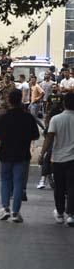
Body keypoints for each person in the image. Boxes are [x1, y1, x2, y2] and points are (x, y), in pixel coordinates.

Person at [0, 89, 39, 223]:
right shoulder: (28, 117)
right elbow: (35, 135)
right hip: (22, 154)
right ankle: (15, 212)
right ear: (21, 99)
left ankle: (5, 208)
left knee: (5, 181)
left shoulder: (3, 118)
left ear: (9, 100)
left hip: (5, 154)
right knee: (19, 183)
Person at [39, 93, 74, 227]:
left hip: (58, 159)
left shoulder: (56, 119)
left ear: (64, 103)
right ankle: (71, 214)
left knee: (59, 187)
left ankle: (59, 213)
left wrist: (42, 154)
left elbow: (49, 138)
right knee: (72, 186)